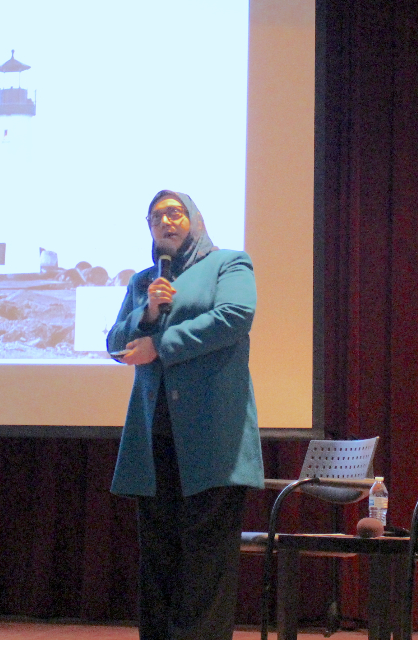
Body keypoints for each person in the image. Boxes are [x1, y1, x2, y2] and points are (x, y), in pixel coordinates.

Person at [108, 190, 264, 640]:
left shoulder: (229, 263)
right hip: (154, 440)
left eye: (175, 213)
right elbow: (116, 342)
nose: (166, 222)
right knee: (158, 559)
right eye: (156, 217)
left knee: (206, 562)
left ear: (194, 220)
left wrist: (162, 343)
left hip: (213, 439)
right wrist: (148, 310)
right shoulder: (143, 282)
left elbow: (236, 315)